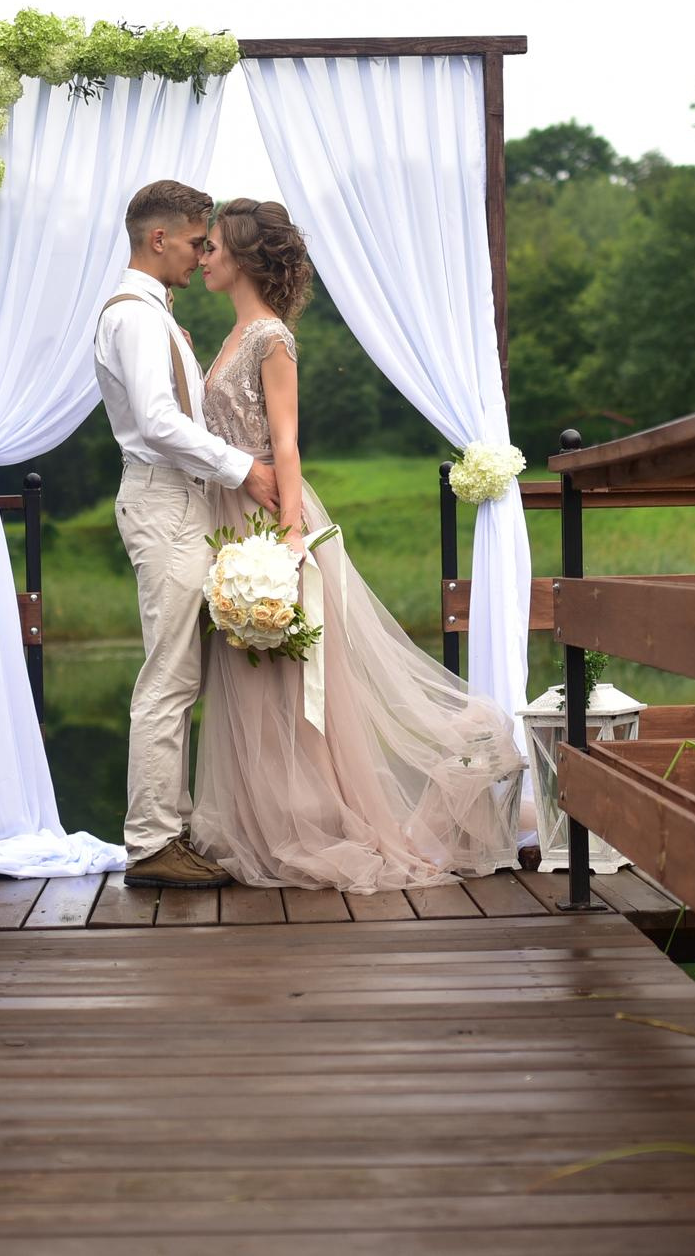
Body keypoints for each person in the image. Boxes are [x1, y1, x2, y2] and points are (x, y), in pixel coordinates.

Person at [188, 198, 523, 890]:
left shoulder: (270, 337)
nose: (204, 255)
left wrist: (287, 538)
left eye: (214, 245)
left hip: (271, 517)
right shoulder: (229, 335)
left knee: (290, 682)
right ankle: (267, 825)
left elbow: (284, 441)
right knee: (251, 689)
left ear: (245, 257)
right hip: (229, 518)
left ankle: (344, 810)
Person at [91, 180, 283, 890]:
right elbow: (157, 424)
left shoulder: (155, 317)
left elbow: (170, 408)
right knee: (168, 677)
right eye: (199, 240)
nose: (204, 251)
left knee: (181, 674)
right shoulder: (138, 319)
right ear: (159, 238)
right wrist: (245, 470)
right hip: (165, 500)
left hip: (178, 500)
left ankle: (169, 828)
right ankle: (150, 843)